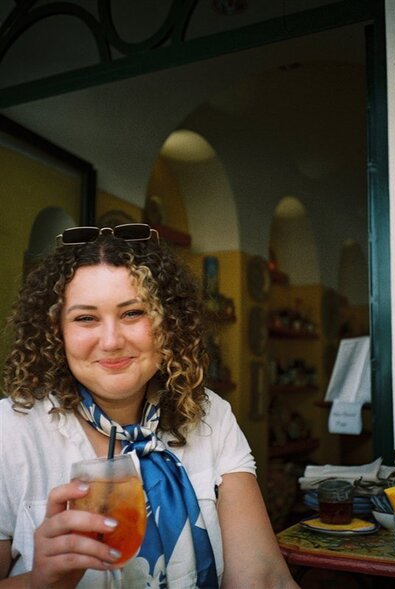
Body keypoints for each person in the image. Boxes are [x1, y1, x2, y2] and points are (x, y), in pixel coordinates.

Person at [0, 223, 299, 589]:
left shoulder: (211, 416)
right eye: (85, 318)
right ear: (54, 331)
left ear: (168, 323)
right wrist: (39, 583)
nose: (111, 341)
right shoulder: (9, 433)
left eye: (133, 313)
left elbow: (263, 578)